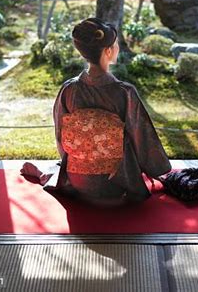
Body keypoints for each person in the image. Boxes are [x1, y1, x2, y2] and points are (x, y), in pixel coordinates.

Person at [21, 17, 172, 207]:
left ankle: (49, 174)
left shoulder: (69, 89)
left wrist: (82, 156)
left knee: (65, 165)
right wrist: (157, 170)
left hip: (78, 179)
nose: (117, 48)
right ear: (108, 51)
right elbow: (142, 138)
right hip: (118, 181)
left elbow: (62, 136)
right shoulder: (124, 92)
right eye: (115, 44)